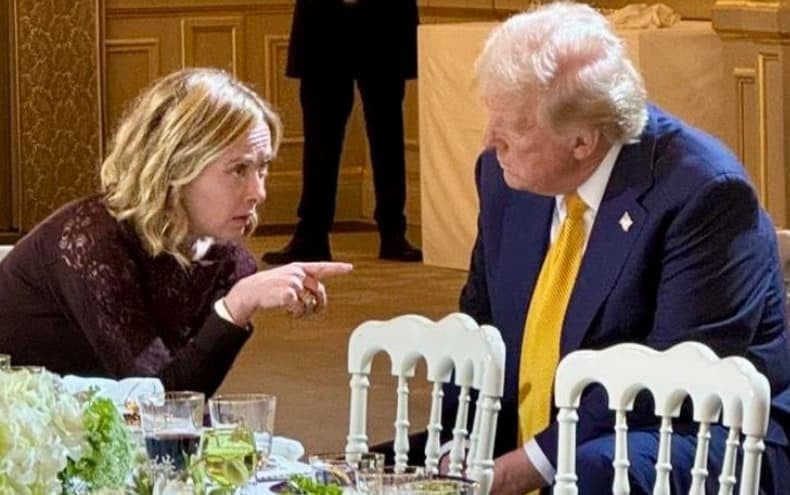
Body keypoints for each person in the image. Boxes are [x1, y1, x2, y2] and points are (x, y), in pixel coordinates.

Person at [453, 3, 790, 494]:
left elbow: (668, 383)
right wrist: (458, 443)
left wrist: (523, 468)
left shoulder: (703, 193)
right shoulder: (504, 177)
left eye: (515, 125)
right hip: (562, 435)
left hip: (696, 436)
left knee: (596, 468)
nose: (489, 140)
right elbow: (480, 326)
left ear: (582, 142)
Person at [0, 68, 353, 397]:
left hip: (88, 428)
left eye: (262, 168)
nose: (258, 192)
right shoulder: (90, 243)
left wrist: (235, 306)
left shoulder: (227, 260)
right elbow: (159, 400)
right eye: (238, 170)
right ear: (176, 169)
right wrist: (236, 307)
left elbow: (182, 403)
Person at [262, 0, 422, 264]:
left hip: (384, 19)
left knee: (387, 135)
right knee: (320, 138)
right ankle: (312, 233)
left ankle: (393, 232)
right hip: (324, 20)